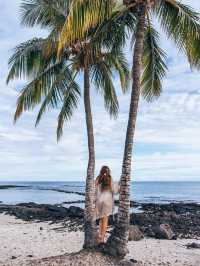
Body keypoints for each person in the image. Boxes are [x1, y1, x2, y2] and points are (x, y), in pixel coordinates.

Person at [95, 166, 119, 244]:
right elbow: (114, 191)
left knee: (101, 219)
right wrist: (120, 185)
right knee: (105, 221)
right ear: (109, 171)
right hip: (107, 202)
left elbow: (95, 190)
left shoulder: (98, 178)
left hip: (99, 201)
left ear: (101, 171)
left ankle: (99, 235)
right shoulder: (109, 178)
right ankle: (102, 239)